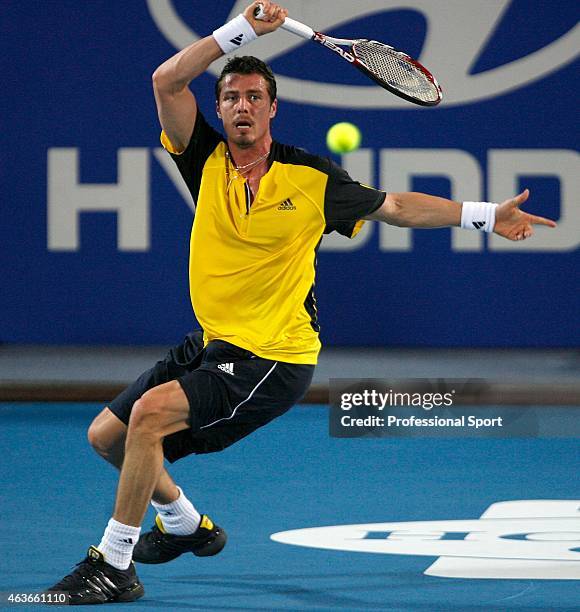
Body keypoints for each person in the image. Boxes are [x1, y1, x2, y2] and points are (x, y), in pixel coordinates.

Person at [47, 1, 556, 604]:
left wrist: (484, 216)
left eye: (254, 97)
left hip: (273, 356)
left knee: (151, 416)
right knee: (107, 435)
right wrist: (237, 34)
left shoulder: (313, 178)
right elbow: (166, 80)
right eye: (231, 96)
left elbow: (395, 206)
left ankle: (114, 564)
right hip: (214, 342)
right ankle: (187, 527)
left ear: (271, 107)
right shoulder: (202, 159)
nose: (242, 106)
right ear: (218, 109)